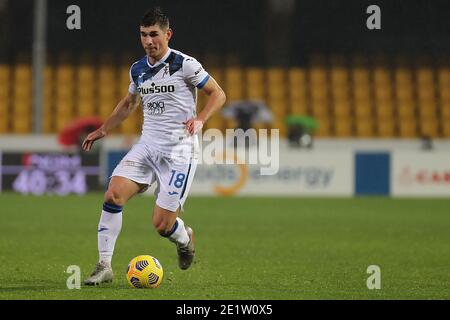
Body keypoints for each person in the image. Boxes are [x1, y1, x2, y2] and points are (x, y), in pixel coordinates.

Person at [82, 7, 226, 285]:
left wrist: (201, 118)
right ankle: (104, 265)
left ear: (167, 34)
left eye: (154, 34)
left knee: (162, 225)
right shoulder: (137, 69)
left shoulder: (185, 64)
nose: (149, 41)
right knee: (113, 195)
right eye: (144, 35)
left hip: (179, 151)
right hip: (147, 146)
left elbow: (218, 93)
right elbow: (128, 104)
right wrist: (103, 128)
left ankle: (185, 239)